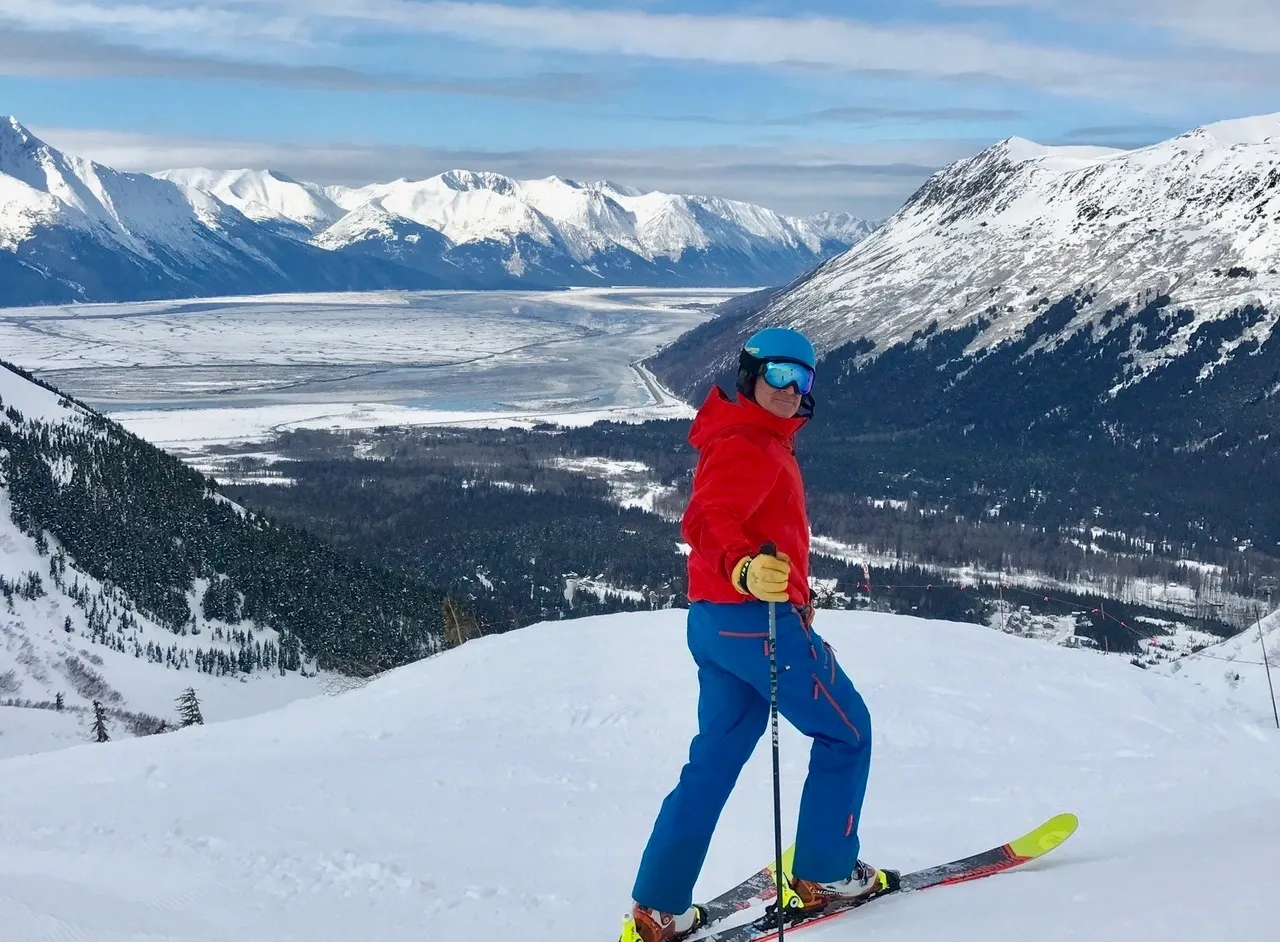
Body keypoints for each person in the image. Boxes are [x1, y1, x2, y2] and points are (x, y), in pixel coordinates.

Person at [620, 327, 879, 942]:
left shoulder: (749, 436)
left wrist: (792, 592)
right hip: (753, 626)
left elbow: (765, 531)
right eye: (778, 376)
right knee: (847, 731)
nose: (791, 391)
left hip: (714, 624)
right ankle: (825, 873)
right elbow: (707, 518)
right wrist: (743, 567)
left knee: (712, 760)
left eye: (803, 379)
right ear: (750, 377)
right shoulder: (748, 444)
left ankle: (659, 905)